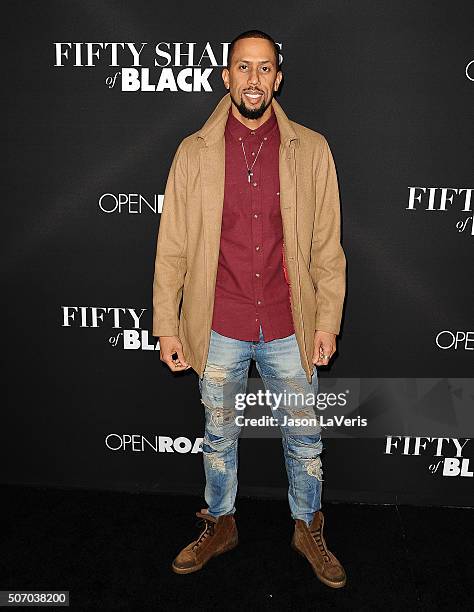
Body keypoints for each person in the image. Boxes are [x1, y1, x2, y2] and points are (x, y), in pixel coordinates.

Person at [152, 29, 347, 588]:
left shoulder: (312, 150)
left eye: (264, 69)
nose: (253, 79)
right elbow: (172, 251)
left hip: (291, 324)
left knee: (305, 438)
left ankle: (308, 527)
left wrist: (327, 321)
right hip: (219, 324)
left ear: (278, 78)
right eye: (243, 68)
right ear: (226, 75)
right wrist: (168, 326)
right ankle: (220, 523)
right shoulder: (194, 152)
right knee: (218, 433)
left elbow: (327, 250)